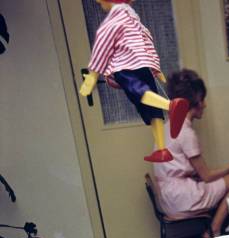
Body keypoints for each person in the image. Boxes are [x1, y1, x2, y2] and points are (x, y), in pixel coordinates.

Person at [79, 0, 189, 163]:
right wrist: (155, 68)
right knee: (152, 108)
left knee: (139, 92)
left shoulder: (113, 22)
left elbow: (101, 50)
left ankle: (170, 106)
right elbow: (148, 41)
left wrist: (92, 78)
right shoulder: (135, 21)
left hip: (125, 67)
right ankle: (162, 149)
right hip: (144, 65)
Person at [153, 69, 229, 238]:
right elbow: (207, 176)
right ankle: (214, 231)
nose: (205, 105)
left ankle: (213, 230)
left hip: (167, 197)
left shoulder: (169, 125)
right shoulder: (186, 133)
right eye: (203, 100)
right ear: (196, 101)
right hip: (181, 198)